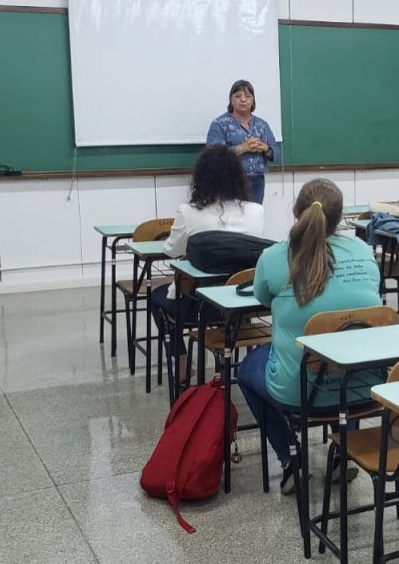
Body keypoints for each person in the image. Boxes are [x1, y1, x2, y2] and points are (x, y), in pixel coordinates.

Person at [237, 179, 381, 494]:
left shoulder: (274, 257)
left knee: (246, 371)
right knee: (347, 349)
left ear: (296, 211)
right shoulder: (363, 250)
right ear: (340, 217)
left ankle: (291, 459)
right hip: (363, 388)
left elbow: (262, 298)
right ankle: (343, 451)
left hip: (300, 392)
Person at [149, 145, 265, 342]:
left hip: (198, 304)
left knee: (156, 296)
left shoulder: (188, 211)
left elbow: (171, 251)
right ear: (239, 177)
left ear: (200, 178)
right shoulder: (256, 210)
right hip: (243, 303)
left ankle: (180, 357)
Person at [206, 80, 280, 205]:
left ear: (253, 101)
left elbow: (277, 154)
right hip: (229, 182)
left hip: (257, 183)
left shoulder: (262, 125)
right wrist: (242, 148)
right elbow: (213, 156)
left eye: (248, 96)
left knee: (254, 216)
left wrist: (265, 148)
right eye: (238, 96)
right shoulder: (219, 124)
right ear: (231, 100)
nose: (243, 100)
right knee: (231, 216)